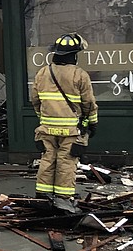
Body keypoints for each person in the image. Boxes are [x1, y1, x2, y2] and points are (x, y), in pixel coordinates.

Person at [30, 32, 98, 209]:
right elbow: (88, 103)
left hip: (46, 129)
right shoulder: (79, 75)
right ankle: (63, 199)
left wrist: (43, 118)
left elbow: (35, 100)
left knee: (47, 160)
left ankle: (43, 196)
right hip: (70, 131)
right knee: (66, 163)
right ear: (74, 55)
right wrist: (92, 122)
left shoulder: (43, 72)